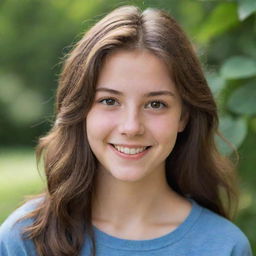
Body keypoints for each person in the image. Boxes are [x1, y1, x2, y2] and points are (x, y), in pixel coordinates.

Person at [0, 5, 253, 256]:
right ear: (81, 110)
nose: (131, 127)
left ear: (183, 116)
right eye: (109, 101)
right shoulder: (24, 240)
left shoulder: (223, 245)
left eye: (156, 104)